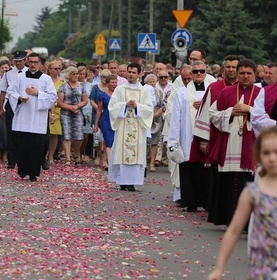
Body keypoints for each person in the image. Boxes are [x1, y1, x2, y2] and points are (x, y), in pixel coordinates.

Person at [207, 127, 277, 280]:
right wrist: (218, 267)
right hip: (265, 267)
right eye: (266, 152)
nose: (272, 158)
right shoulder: (253, 192)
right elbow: (234, 230)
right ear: (258, 156)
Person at [207, 59, 261, 226]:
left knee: (250, 182)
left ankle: (247, 224)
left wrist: (249, 110)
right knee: (229, 183)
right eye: (242, 73)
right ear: (237, 74)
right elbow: (213, 114)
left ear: (254, 75)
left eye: (249, 73)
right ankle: (228, 218)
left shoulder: (261, 93)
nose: (245, 76)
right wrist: (230, 112)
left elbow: (268, 118)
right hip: (231, 144)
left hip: (252, 144)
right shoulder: (227, 92)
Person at [165, 61, 214, 211]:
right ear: (191, 74)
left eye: (201, 71)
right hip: (188, 137)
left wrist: (206, 106)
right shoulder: (182, 92)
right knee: (189, 168)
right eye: (195, 71)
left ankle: (206, 202)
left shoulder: (212, 91)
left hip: (207, 135)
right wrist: (174, 139)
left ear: (205, 73)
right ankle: (191, 201)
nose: (198, 74)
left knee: (206, 170)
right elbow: (176, 117)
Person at [6, 52, 58, 181]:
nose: (33, 64)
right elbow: (10, 92)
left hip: (38, 118)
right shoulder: (20, 77)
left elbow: (53, 97)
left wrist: (38, 93)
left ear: (40, 64)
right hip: (23, 116)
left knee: (36, 146)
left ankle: (34, 172)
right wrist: (19, 98)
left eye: (36, 62)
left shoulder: (46, 79)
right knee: (22, 145)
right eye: (31, 62)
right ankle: (23, 170)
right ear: (28, 62)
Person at [107, 62, 153, 191]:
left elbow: (149, 109)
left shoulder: (144, 91)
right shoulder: (120, 89)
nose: (131, 74)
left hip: (138, 126)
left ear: (139, 74)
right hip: (123, 126)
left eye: (134, 72)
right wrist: (124, 105)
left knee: (136, 153)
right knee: (122, 152)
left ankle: (132, 182)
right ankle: (122, 181)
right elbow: (112, 107)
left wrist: (138, 106)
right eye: (129, 72)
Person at [0, 51, 28, 169]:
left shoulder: (29, 73)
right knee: (11, 133)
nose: (18, 63)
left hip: (25, 105)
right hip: (11, 104)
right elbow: (3, 90)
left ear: (25, 61)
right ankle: (11, 160)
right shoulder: (8, 73)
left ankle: (22, 158)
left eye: (21, 60)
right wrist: (1, 107)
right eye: (17, 61)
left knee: (24, 132)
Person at [57, 66, 87, 165]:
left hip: (78, 113)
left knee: (79, 136)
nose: (76, 76)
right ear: (68, 75)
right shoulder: (63, 87)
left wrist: (77, 106)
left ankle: (77, 154)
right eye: (73, 74)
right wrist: (71, 108)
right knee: (67, 135)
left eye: (77, 74)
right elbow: (60, 102)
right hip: (66, 113)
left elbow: (85, 100)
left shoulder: (82, 86)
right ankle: (68, 158)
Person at [93, 74, 118, 171]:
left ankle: (107, 161)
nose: (114, 84)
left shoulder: (119, 94)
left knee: (115, 141)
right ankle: (110, 163)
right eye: (112, 82)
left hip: (116, 120)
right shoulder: (102, 95)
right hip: (106, 120)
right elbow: (99, 110)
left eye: (115, 82)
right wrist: (96, 124)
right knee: (109, 142)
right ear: (107, 84)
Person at [46, 59, 64, 166]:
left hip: (57, 110)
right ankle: (43, 153)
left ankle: (51, 155)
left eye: (59, 68)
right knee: (45, 134)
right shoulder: (45, 80)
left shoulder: (62, 82)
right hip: (46, 109)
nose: (58, 70)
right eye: (56, 68)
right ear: (50, 69)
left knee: (54, 134)